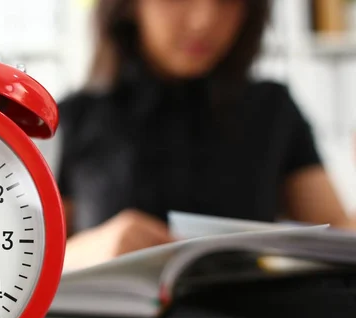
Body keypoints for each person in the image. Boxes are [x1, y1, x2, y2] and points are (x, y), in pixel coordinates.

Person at [56, 0, 355, 270]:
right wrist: (85, 251)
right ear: (130, 6)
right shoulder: (73, 118)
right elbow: (30, 254)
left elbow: (338, 232)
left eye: (227, 1)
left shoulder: (272, 108)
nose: (204, 21)